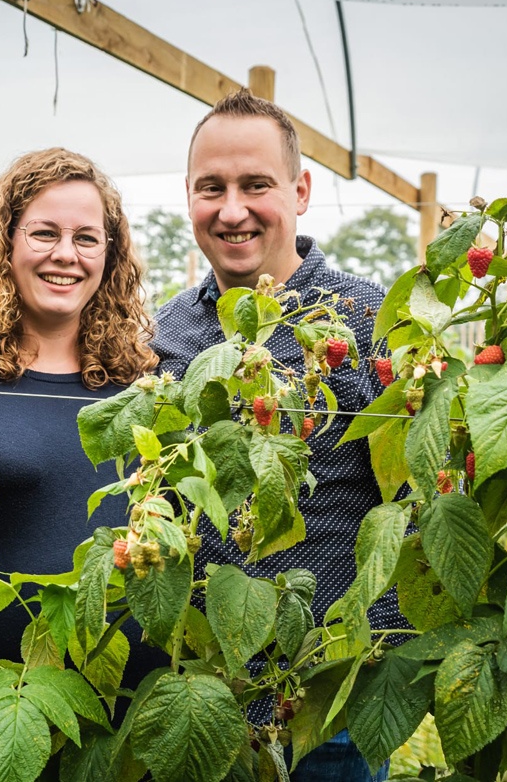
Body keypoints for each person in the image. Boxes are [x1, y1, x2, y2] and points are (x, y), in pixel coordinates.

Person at [152, 89, 407, 781]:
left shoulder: (368, 320)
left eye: (255, 185)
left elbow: (416, 498)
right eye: (212, 188)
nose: (231, 210)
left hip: (329, 702)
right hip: (203, 687)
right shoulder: (165, 334)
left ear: (299, 190)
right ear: (189, 197)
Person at [0, 148, 165, 684]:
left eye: (86, 238)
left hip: (118, 716)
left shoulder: (140, 381)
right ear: (4, 242)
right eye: (44, 233)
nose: (66, 254)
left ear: (110, 256)